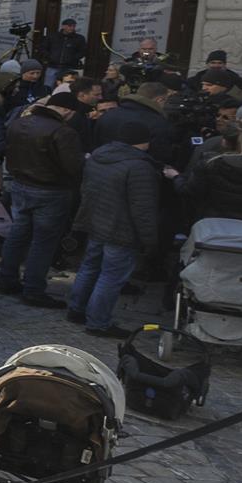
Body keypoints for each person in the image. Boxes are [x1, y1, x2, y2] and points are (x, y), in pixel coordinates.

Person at [70, 114, 166, 337]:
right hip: (121, 230)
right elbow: (143, 209)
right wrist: (150, 240)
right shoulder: (139, 167)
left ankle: (76, 310)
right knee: (111, 277)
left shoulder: (98, 156)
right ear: (144, 140)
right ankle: (98, 322)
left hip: (95, 222)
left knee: (89, 267)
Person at [0, 90, 88, 307]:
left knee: (18, 234)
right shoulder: (63, 132)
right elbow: (73, 166)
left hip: (20, 185)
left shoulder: (20, 123)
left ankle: (6, 279)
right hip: (50, 191)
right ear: (67, 111)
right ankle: (33, 289)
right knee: (43, 242)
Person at [42, 18, 88, 83]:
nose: (72, 28)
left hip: (69, 67)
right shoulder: (53, 36)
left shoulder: (79, 38)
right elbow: (44, 48)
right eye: (69, 26)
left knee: (67, 86)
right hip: (52, 65)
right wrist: (49, 57)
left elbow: (82, 51)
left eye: (73, 26)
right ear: (63, 26)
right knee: (48, 85)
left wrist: (73, 58)